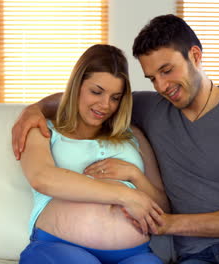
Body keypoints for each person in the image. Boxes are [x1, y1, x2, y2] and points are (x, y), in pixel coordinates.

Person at [13, 15, 219, 264]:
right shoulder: (152, 108)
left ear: (195, 56)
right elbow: (96, 99)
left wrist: (168, 224)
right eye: (152, 78)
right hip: (194, 255)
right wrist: (36, 109)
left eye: (167, 70)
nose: (162, 86)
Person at [18, 44, 169, 264]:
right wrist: (126, 195)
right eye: (96, 92)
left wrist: (134, 175)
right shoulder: (43, 129)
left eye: (115, 97)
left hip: (134, 254)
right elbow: (42, 178)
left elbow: (162, 206)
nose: (105, 105)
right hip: (61, 245)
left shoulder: (133, 135)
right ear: (77, 85)